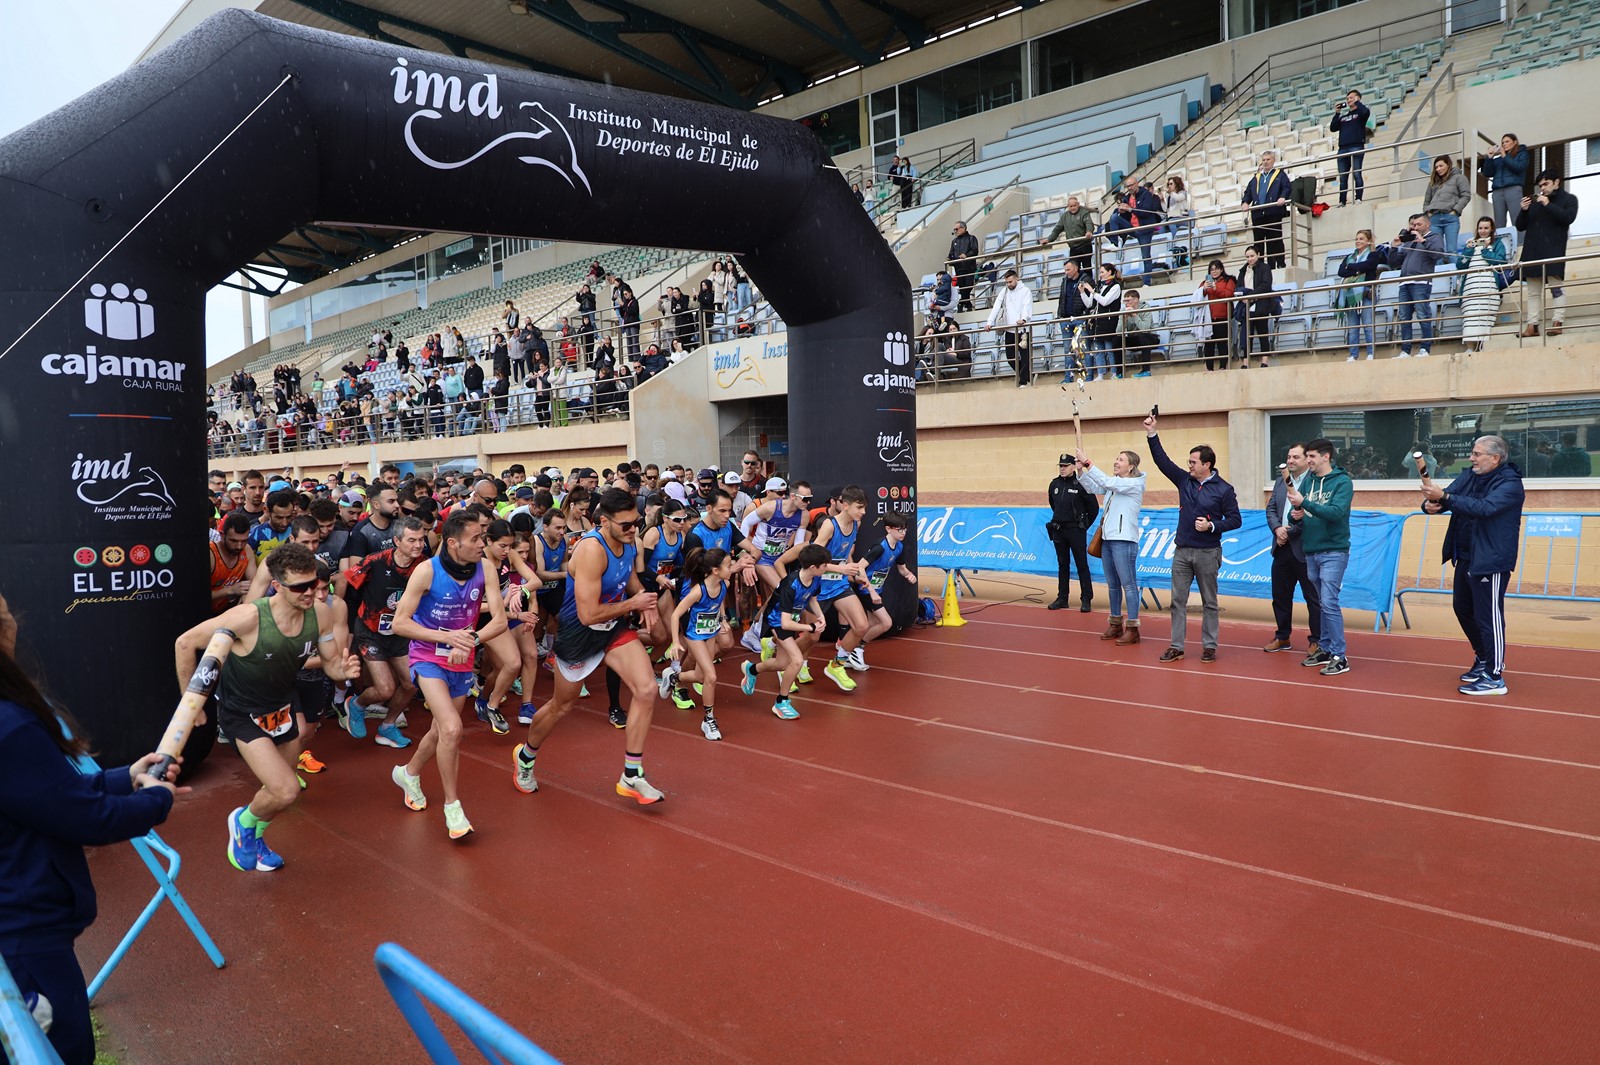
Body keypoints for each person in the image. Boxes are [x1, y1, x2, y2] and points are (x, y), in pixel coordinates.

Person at [0, 591, 183, 1065]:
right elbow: (85, 817)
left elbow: (45, 794)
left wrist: (126, 777)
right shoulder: (9, 725)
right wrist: (155, 800)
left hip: (21, 931)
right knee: (65, 1051)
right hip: (25, 939)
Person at [173, 542, 359, 871]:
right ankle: (243, 822)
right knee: (286, 790)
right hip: (242, 710)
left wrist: (340, 672)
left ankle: (255, 838)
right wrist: (191, 701)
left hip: (281, 703)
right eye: (300, 586)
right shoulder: (248, 617)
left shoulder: (322, 613)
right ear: (277, 586)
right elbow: (185, 643)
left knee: (280, 789)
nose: (311, 592)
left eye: (315, 583)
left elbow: (331, 663)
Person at [513, 488, 667, 805]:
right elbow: (587, 614)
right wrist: (634, 604)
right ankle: (526, 757)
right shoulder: (590, 551)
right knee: (562, 706)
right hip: (579, 633)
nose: (633, 529)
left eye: (636, 523)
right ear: (603, 521)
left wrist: (645, 602)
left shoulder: (628, 542)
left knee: (647, 689)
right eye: (625, 525)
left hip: (612, 629)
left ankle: (631, 775)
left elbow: (630, 579)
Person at [389, 512, 508, 839]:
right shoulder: (426, 571)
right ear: (453, 543)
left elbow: (499, 620)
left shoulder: (485, 568)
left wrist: (469, 640)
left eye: (483, 537)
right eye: (476, 539)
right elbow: (400, 623)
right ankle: (453, 808)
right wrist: (446, 637)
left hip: (462, 656)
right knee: (453, 729)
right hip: (427, 655)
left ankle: (408, 772)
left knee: (440, 731)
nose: (483, 544)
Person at [1420, 435, 1525, 696]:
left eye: (1477, 454)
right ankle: (1482, 658)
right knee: (1463, 608)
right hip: (1466, 555)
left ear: (1495, 458)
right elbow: (1449, 498)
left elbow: (1485, 508)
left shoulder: (1510, 484)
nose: (1471, 457)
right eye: (1472, 452)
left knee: (1489, 616)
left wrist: (1444, 497)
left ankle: (1494, 674)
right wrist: (1431, 504)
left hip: (1490, 560)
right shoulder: (1470, 476)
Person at [1144, 413, 1241, 663]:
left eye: (1193, 462)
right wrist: (1152, 434)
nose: (1189, 466)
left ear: (1207, 464)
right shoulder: (1184, 480)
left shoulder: (1224, 489)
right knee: (1177, 601)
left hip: (1208, 552)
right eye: (1188, 462)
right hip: (1182, 552)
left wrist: (1211, 526)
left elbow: (1235, 520)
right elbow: (1162, 461)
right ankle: (1177, 646)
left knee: (1210, 602)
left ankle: (1209, 646)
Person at [341, 516, 429, 749]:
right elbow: (348, 583)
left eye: (421, 539)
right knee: (385, 688)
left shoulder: (425, 566)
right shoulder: (375, 561)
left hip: (401, 633)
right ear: (396, 541)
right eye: (412, 540)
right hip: (370, 631)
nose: (418, 545)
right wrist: (343, 623)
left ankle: (387, 727)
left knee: (410, 685)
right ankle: (357, 705)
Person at [740, 544, 832, 720]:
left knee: (782, 664)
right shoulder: (791, 585)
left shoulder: (816, 578)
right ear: (813, 567)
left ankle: (752, 669)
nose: (827, 568)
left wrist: (821, 616)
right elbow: (785, 623)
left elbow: (812, 598)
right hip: (776, 622)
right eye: (825, 565)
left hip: (790, 620)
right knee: (796, 661)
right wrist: (810, 628)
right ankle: (781, 702)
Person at [1287, 439, 1353, 677]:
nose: (1309, 461)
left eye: (1312, 456)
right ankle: (1325, 648)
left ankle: (1339, 655)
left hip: (1334, 550)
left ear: (1326, 457)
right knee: (1320, 602)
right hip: (1311, 550)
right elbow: (1295, 514)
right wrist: (1295, 514)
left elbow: (1336, 513)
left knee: (1329, 601)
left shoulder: (1342, 482)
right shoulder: (1309, 481)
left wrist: (1305, 504)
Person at [658, 547, 736, 741]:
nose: (732, 567)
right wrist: (676, 642)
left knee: (701, 676)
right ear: (715, 570)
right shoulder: (697, 591)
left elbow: (717, 604)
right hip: (695, 636)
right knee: (711, 676)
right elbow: (676, 614)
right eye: (728, 565)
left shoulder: (723, 584)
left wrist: (723, 619)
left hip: (710, 634)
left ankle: (674, 677)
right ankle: (709, 719)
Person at [1073, 448, 1145, 643]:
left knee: (1128, 585)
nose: (1116, 462)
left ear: (1131, 467)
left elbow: (1105, 481)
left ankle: (1132, 627)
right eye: (1116, 458)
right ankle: (1115, 623)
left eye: (1121, 460)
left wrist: (1088, 462)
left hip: (1124, 541)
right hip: (1107, 539)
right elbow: (1093, 487)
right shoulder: (1114, 486)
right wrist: (1081, 471)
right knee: (1113, 585)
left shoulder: (1134, 484)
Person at [1262, 444, 1322, 656]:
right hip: (1281, 548)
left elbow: (1314, 514)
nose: (1291, 461)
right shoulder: (1280, 481)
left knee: (1312, 598)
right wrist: (1278, 529)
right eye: (1289, 457)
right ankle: (1282, 636)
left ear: (1307, 459)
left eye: (1296, 457)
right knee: (1280, 595)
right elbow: (1270, 509)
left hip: (1305, 550)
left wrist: (1291, 531)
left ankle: (1317, 640)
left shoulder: (1315, 482)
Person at [1516, 170, 1578, 338]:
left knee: (1556, 289)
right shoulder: (1535, 203)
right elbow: (1520, 226)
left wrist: (1548, 204)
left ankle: (1558, 322)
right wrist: (1523, 210)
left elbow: (1568, 218)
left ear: (1556, 182)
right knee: (1533, 292)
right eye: (1540, 185)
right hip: (1532, 251)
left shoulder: (1569, 199)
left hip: (1553, 250)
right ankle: (1532, 326)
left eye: (1546, 184)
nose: (1542, 188)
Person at [851, 513, 916, 668]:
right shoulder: (880, 547)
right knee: (886, 623)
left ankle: (848, 650)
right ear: (888, 529)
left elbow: (901, 568)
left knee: (870, 624)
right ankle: (854, 649)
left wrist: (909, 575)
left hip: (877, 588)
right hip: (866, 588)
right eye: (899, 530)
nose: (903, 533)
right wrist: (871, 591)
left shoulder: (899, 547)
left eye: (905, 530)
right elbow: (859, 567)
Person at [1379, 213, 1444, 358]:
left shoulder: (1434, 237)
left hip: (1421, 282)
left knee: (1423, 315)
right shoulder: (1410, 241)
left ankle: (1425, 349)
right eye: (1414, 225)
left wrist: (1423, 241)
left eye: (1419, 225)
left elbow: (1438, 255)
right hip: (1404, 282)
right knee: (1404, 317)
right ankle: (1405, 350)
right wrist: (1394, 248)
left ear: (1428, 225)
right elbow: (1394, 262)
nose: (1415, 227)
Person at [1046, 454, 1098, 612]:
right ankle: (1062, 598)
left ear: (1073, 466)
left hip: (1076, 530)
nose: (1062, 468)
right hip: (1059, 530)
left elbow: (1093, 508)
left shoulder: (1081, 484)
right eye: (1060, 466)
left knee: (1082, 565)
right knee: (1063, 564)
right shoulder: (1054, 484)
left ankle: (1086, 598)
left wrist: (1083, 526)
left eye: (1065, 465)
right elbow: (1053, 505)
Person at [1458, 216, 1510, 354]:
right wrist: (1468, 250)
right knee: (1470, 316)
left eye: (1486, 228)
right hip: (1470, 286)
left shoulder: (1498, 243)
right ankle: (1469, 347)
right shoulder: (1471, 244)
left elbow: (1500, 262)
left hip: (1488, 285)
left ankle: (1482, 347)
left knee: (1484, 316)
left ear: (1491, 229)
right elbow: (1460, 265)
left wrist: (1486, 249)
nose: (1483, 231)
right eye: (1480, 228)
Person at [1335, 229, 1382, 361]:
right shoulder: (1349, 257)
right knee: (1353, 327)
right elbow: (1340, 272)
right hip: (1350, 295)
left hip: (1366, 292)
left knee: (1368, 324)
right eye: (1357, 239)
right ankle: (1353, 354)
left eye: (1361, 239)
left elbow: (1370, 265)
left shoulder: (1373, 254)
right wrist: (1357, 269)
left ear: (1368, 241)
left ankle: (1371, 353)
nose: (1358, 241)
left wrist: (1352, 268)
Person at [1101, 177, 1163, 276]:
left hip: (1144, 229)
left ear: (1137, 183)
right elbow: (1126, 215)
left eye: (1131, 185)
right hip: (1132, 227)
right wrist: (1121, 212)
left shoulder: (1146, 194)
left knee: (1146, 256)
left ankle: (1147, 282)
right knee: (1114, 217)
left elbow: (1146, 212)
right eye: (1127, 186)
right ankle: (1114, 243)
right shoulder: (1127, 197)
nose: (1129, 188)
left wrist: (1130, 209)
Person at [1241, 150, 1292, 268]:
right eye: (1263, 160)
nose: (1265, 162)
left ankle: (1278, 264)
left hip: (1273, 212)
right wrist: (1245, 202)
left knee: (1275, 239)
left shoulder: (1280, 174)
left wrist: (1283, 197)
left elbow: (1287, 188)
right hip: (1258, 214)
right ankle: (1259, 266)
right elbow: (1248, 192)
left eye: (1268, 159)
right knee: (1258, 242)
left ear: (1273, 160)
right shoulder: (1256, 177)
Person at [984, 268, 1034, 386]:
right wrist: (989, 321)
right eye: (1006, 282)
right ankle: (1026, 376)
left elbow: (1027, 305)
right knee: (1010, 357)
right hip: (1009, 329)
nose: (1009, 284)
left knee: (1025, 356)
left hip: (1023, 329)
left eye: (1010, 282)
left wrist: (1024, 318)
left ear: (1016, 279)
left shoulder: (1025, 291)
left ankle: (1023, 381)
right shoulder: (1004, 291)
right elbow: (996, 306)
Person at [1478, 133, 1530, 242]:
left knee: (1517, 218)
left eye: (1507, 141)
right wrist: (1489, 158)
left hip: (1513, 188)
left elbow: (1518, 167)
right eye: (1502, 142)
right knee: (1499, 221)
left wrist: (1505, 157)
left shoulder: (1521, 154)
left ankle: (1521, 244)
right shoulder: (1499, 159)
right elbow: (1487, 173)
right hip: (1497, 191)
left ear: (1515, 142)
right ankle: (1501, 246)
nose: (1504, 144)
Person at [1237, 246, 1279, 369]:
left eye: (1252, 256)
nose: (1250, 259)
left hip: (1261, 305)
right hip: (1247, 306)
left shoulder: (1265, 268)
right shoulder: (1243, 271)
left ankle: (1264, 361)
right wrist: (1242, 297)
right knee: (1246, 334)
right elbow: (1238, 287)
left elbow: (1266, 285)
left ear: (1258, 255)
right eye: (1247, 257)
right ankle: (1245, 362)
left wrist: (1251, 295)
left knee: (1262, 332)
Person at [1080, 263, 1123, 381]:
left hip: (1109, 322)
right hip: (1097, 323)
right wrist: (1083, 292)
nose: (1101, 275)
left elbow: (1105, 301)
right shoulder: (1099, 286)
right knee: (1098, 350)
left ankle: (1114, 373)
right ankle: (1100, 374)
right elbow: (1089, 304)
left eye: (1103, 272)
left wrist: (1092, 292)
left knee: (1109, 349)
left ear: (1110, 272)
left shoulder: (1116, 286)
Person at [1422, 155, 1470, 256]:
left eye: (1441, 166)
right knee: (1436, 251)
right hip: (1434, 219)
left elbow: (1466, 196)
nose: (1438, 169)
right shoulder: (1433, 182)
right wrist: (1428, 213)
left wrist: (1455, 211)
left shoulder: (1459, 177)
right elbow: (1426, 202)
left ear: (1448, 165)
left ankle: (1455, 272)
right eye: (1436, 167)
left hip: (1450, 218)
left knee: (1451, 250)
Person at [1329, 90, 1370, 206]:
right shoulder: (1344, 116)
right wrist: (1337, 113)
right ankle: (1342, 201)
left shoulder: (1361, 112)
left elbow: (1365, 112)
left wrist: (1358, 103)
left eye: (1351, 98)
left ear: (1357, 98)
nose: (1348, 100)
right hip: (1342, 149)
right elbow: (1333, 127)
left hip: (1356, 146)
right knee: (1343, 177)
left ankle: (1358, 198)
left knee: (1357, 174)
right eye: (1347, 98)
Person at [1199, 260, 1235, 372]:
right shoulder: (1204, 282)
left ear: (1222, 269)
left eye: (1216, 268)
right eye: (1212, 269)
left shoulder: (1229, 280)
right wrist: (1204, 289)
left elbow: (1228, 294)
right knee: (1209, 344)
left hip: (1223, 317)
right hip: (1209, 318)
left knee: (1222, 343)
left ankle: (1223, 366)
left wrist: (1216, 288)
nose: (1214, 271)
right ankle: (1209, 368)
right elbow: (1198, 296)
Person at [1047, 195, 1096, 271]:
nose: (1073, 208)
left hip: (1085, 245)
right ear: (1068, 206)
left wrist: (1089, 231)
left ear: (1078, 204)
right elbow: (1057, 229)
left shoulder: (1084, 212)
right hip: (1073, 247)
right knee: (1074, 270)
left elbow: (1089, 223)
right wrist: (1049, 240)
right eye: (1071, 206)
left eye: (1074, 205)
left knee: (1087, 268)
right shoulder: (1065, 216)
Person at [1118, 289, 1160, 378]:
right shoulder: (1123, 310)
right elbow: (1118, 332)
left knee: (1143, 336)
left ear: (1136, 300)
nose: (1126, 303)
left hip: (1150, 337)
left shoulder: (1145, 308)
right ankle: (1119, 372)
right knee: (1116, 340)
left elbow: (1145, 329)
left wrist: (1134, 315)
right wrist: (1124, 320)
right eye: (1124, 301)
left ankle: (1146, 370)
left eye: (1128, 300)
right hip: (1134, 337)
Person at [947, 221, 979, 312]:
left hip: (969, 267)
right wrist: (951, 259)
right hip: (959, 268)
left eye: (957, 229)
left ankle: (962, 301)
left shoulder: (971, 238)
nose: (955, 231)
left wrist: (966, 255)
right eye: (954, 229)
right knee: (962, 286)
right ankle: (966, 302)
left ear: (963, 228)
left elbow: (975, 250)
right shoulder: (954, 241)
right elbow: (951, 254)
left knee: (968, 285)